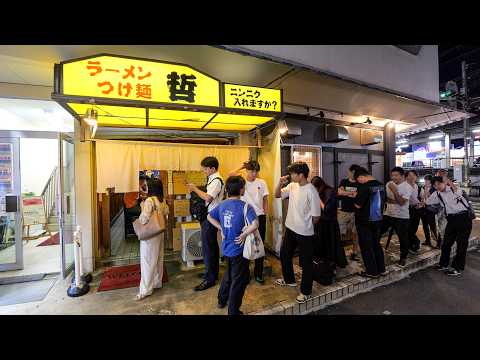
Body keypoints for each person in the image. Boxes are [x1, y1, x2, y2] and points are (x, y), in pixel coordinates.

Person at [208, 176, 258, 315]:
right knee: (239, 281)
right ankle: (233, 311)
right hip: (239, 250)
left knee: (229, 275)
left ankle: (221, 299)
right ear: (241, 189)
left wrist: (221, 228)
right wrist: (243, 235)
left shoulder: (222, 204)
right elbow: (255, 224)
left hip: (226, 248)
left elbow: (209, 217)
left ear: (228, 190)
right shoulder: (246, 206)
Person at [274, 161, 321, 304]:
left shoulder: (311, 191)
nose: (290, 176)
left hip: (305, 233)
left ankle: (306, 291)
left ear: (301, 175)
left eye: (293, 173)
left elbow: (316, 216)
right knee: (284, 254)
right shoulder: (292, 185)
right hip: (290, 228)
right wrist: (279, 183)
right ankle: (289, 280)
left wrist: (306, 226)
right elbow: (277, 195)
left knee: (306, 263)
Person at [187, 156, 225, 291]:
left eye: (205, 169)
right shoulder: (213, 178)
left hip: (211, 217)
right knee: (211, 246)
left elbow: (208, 197)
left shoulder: (216, 181)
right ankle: (211, 273)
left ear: (212, 168)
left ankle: (209, 279)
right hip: (210, 217)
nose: (204, 171)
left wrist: (194, 188)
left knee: (208, 248)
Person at [229, 160, 269, 283]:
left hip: (259, 216)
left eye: (256, 171)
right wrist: (242, 166)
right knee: (244, 245)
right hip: (244, 217)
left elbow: (265, 198)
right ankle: (244, 274)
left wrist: (265, 212)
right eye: (252, 171)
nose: (254, 173)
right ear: (246, 171)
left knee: (259, 245)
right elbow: (230, 175)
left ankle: (258, 273)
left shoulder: (262, 182)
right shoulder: (241, 182)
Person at [426, 176, 473, 276]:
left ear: (444, 182)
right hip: (451, 220)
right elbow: (428, 202)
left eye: (439, 184)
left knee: (461, 245)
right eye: (435, 185)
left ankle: (457, 267)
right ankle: (443, 264)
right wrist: (427, 190)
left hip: (463, 218)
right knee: (446, 243)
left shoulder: (454, 189)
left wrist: (450, 183)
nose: (437, 186)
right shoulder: (437, 193)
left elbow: (458, 193)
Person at [136, 179, 169, 300]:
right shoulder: (162, 200)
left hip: (150, 235)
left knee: (147, 261)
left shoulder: (149, 201)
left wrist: (142, 206)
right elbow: (166, 213)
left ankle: (145, 290)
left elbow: (143, 220)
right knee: (158, 258)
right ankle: (157, 282)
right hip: (159, 232)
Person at [353, 167, 386, 278]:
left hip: (364, 221)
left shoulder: (364, 186)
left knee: (366, 247)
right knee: (376, 244)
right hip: (378, 220)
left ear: (362, 177)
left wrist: (354, 197)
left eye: (358, 180)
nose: (359, 182)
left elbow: (358, 205)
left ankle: (372, 271)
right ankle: (381, 269)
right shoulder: (381, 185)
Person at [311, 176, 347, 268]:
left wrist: (317, 198)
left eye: (315, 188)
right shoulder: (322, 191)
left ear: (319, 186)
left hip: (329, 223)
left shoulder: (330, 191)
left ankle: (332, 263)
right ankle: (324, 263)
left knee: (331, 243)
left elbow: (326, 209)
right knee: (322, 244)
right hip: (321, 221)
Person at [381, 166, 413, 267]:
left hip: (402, 217)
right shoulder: (389, 184)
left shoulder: (408, 187)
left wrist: (395, 191)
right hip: (388, 214)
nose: (393, 177)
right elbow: (387, 199)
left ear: (402, 176)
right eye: (392, 175)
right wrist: (397, 200)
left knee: (402, 238)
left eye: (396, 175)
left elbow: (402, 203)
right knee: (378, 232)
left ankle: (403, 257)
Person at [337, 164, 361, 262]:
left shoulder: (360, 183)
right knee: (340, 232)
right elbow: (339, 193)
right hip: (344, 211)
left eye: (354, 173)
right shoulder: (344, 181)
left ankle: (355, 252)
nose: (351, 174)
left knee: (355, 233)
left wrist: (345, 193)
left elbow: (358, 195)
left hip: (356, 212)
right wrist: (352, 194)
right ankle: (339, 253)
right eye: (351, 172)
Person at [405, 170, 422, 252]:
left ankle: (411, 245)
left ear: (416, 177)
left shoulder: (417, 187)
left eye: (413, 175)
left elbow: (420, 198)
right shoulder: (403, 186)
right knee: (408, 228)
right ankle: (415, 242)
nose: (412, 177)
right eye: (409, 175)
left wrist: (420, 204)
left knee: (414, 228)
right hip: (407, 209)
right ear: (406, 177)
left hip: (416, 210)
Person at [422, 174, 439, 248]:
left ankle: (437, 242)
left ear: (430, 181)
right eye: (425, 180)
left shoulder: (433, 189)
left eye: (427, 180)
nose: (425, 181)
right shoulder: (424, 187)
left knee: (432, 226)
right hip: (424, 208)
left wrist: (426, 191)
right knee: (425, 225)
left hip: (431, 209)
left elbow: (428, 198)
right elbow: (423, 197)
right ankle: (427, 240)